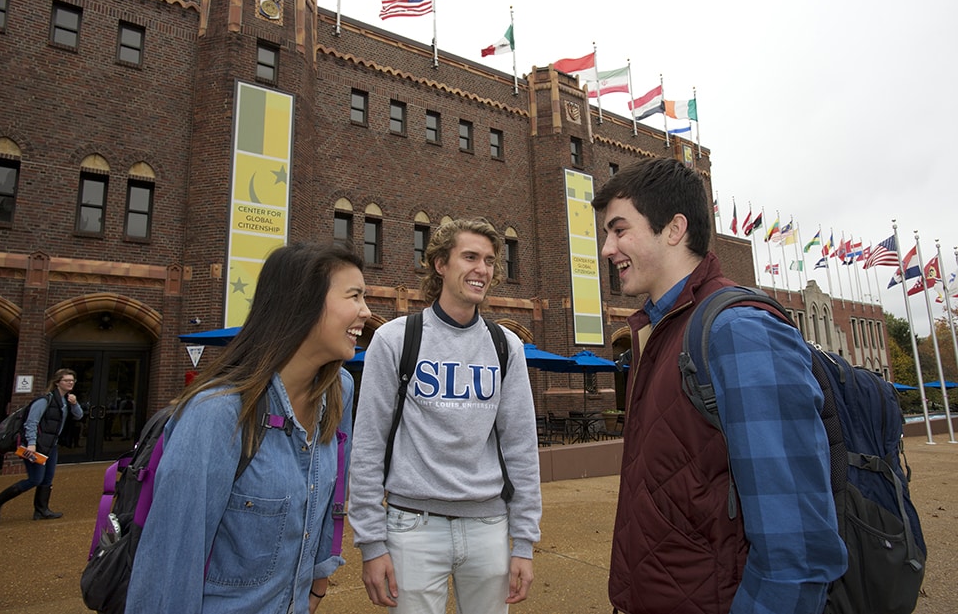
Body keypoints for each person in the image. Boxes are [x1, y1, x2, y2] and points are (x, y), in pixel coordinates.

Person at [591, 158, 847, 614]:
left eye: (619, 229)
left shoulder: (738, 331)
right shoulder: (661, 330)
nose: (607, 248)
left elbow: (797, 548)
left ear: (673, 229)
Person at [125, 242, 370, 614]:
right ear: (303, 302)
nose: (366, 312)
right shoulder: (216, 413)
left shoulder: (339, 393)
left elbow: (330, 509)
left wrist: (317, 584)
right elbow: (168, 567)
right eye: (354, 296)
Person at [349, 218, 542, 614]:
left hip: (489, 527)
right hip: (412, 526)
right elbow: (368, 443)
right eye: (470, 257)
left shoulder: (507, 347)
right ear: (440, 264)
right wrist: (371, 542)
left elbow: (521, 446)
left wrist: (523, 542)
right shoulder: (395, 339)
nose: (482, 270)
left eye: (489, 261)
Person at [0, 368, 83, 521]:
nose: (70, 383)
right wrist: (31, 444)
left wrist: (75, 403)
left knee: (47, 478)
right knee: (35, 479)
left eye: (72, 380)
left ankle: (41, 510)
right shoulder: (45, 400)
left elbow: (79, 415)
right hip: (37, 446)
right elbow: (31, 422)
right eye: (67, 380)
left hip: (51, 446)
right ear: (58, 382)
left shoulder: (66, 401)